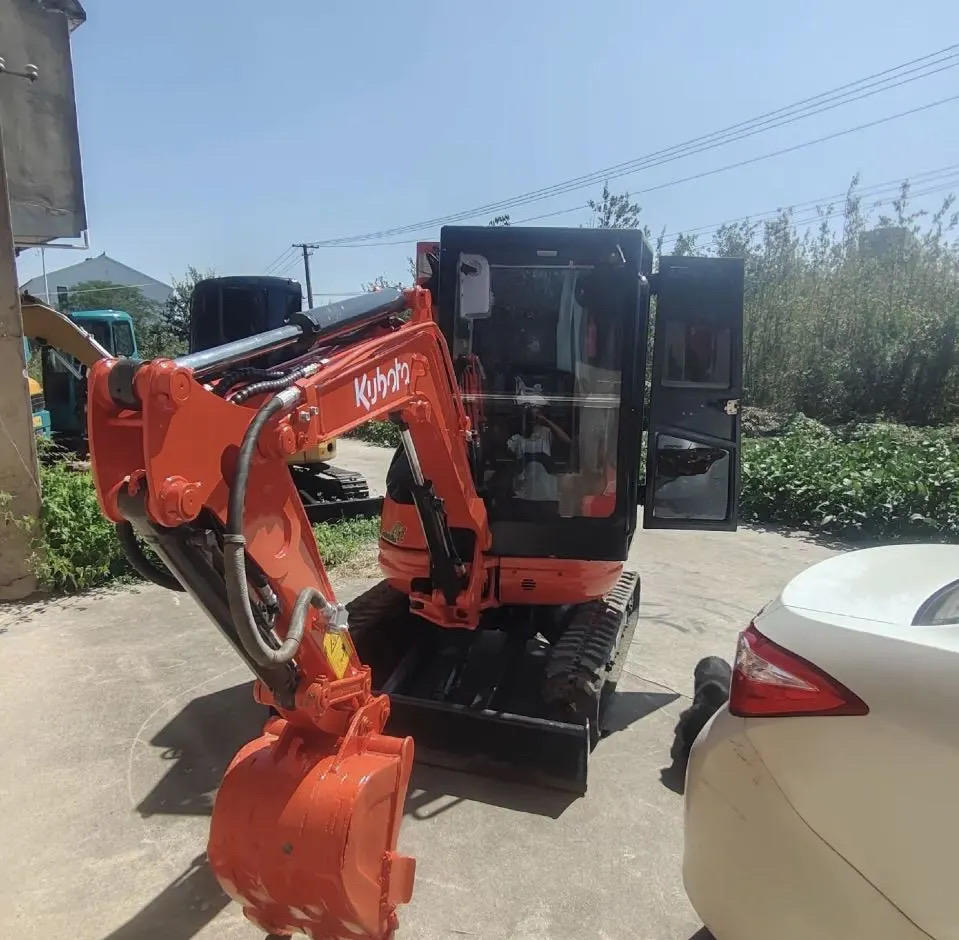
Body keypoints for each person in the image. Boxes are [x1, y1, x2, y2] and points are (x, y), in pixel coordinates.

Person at [506, 407, 570, 516]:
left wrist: (547, 422)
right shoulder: (517, 439)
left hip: (547, 495)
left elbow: (567, 441)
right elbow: (507, 457)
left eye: (536, 416)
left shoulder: (546, 434)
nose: (533, 419)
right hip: (525, 494)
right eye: (530, 416)